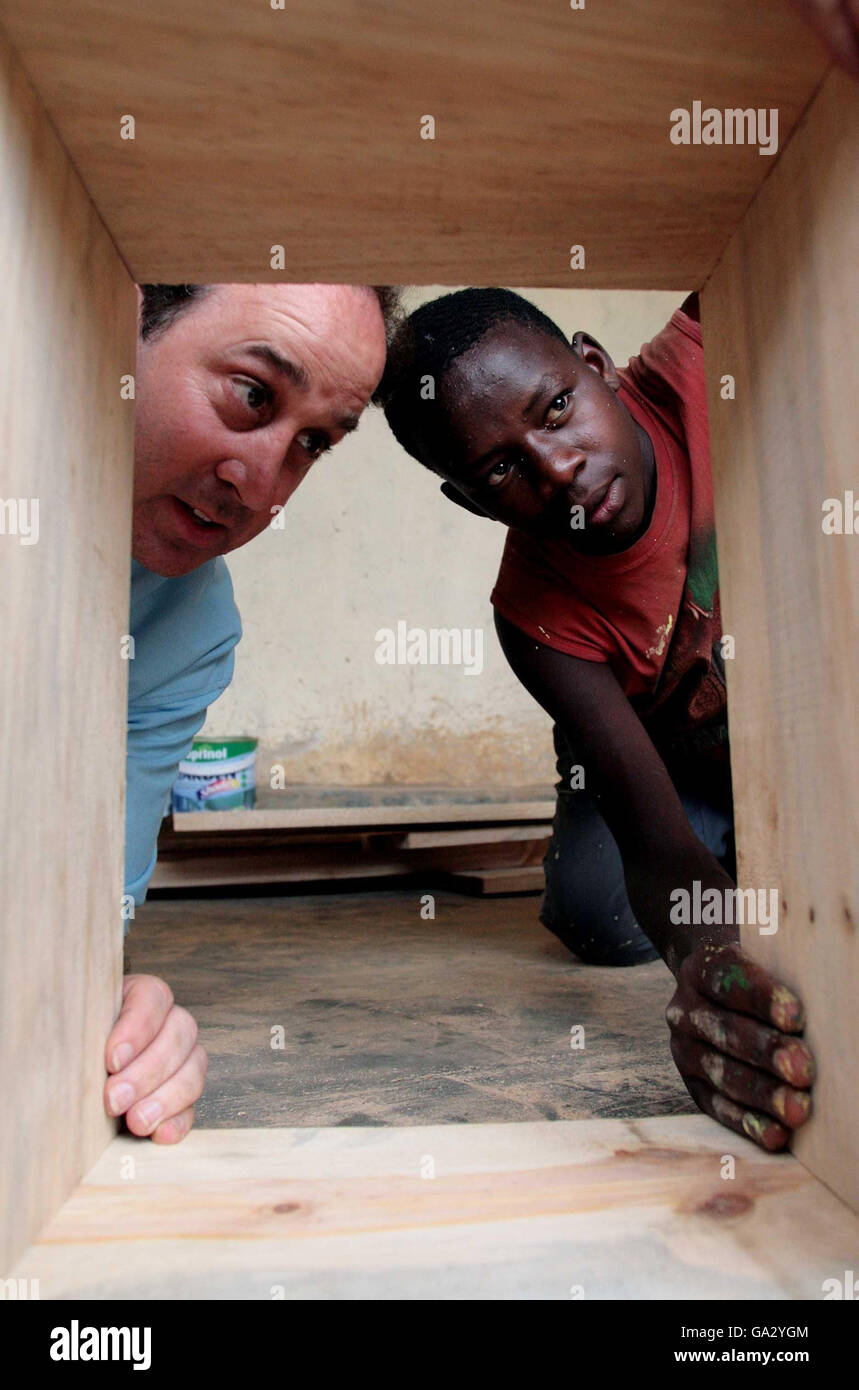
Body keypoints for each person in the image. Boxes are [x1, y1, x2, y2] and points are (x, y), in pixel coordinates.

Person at [375, 287, 815, 1151]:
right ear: (471, 503)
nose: (557, 469)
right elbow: (658, 849)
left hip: (793, 723)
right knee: (603, 914)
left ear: (596, 362)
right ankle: (727, 842)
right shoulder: (535, 615)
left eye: (557, 408)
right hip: (663, 757)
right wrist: (714, 977)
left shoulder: (707, 349)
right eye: (502, 470)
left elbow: (802, 232)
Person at [105, 282, 394, 1143]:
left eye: (312, 444)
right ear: (117, 322)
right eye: (250, 395)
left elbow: (81, 917)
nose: (258, 484)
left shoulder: (187, 626)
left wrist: (124, 1032)